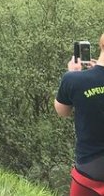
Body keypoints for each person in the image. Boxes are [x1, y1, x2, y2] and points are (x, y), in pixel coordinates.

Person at [55, 34, 104, 195]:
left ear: (101, 45)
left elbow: (62, 111)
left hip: (91, 169)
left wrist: (75, 74)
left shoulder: (74, 80)